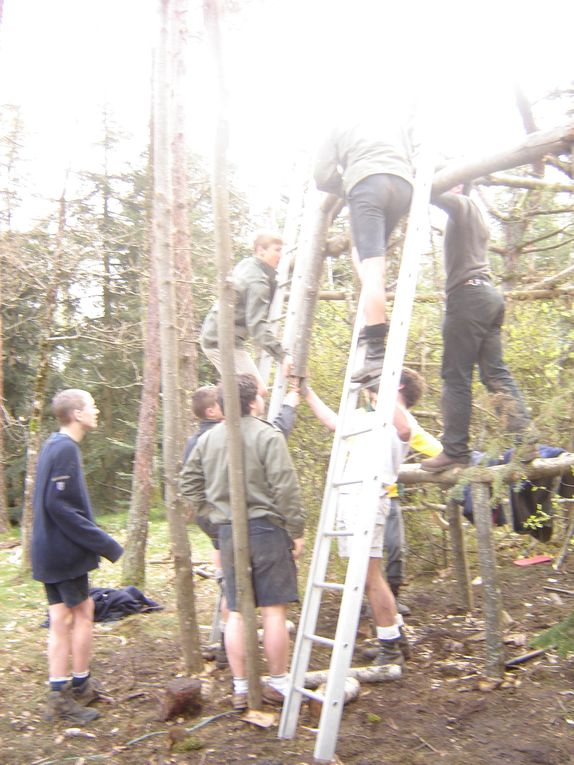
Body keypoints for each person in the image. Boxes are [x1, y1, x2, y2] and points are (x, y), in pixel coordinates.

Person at [180, 374, 305, 710]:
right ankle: (277, 683)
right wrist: (296, 530)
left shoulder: (209, 439)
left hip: (229, 533)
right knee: (274, 611)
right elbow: (286, 487)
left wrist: (213, 514)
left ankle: (239, 687)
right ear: (253, 402)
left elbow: (188, 485)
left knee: (235, 611)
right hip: (266, 530)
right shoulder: (267, 434)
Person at [304, 369, 428, 674]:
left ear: (396, 386)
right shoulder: (369, 416)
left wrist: (381, 389)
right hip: (350, 498)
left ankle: (390, 649)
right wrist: (306, 390)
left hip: (368, 497)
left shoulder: (402, 418)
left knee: (369, 577)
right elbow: (334, 423)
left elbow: (402, 430)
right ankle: (395, 638)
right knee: (367, 576)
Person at [421, 187, 534, 473]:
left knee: (455, 376)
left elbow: (433, 193)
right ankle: (525, 439)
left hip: (468, 298)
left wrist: (420, 180)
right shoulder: (468, 216)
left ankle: (456, 451)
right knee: (494, 372)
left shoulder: (463, 205)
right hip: (486, 296)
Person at [31, 389, 124, 723]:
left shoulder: (55, 444)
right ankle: (76, 688)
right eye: (92, 407)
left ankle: (63, 691)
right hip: (62, 552)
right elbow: (61, 508)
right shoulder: (65, 448)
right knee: (82, 612)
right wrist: (106, 544)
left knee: (62, 618)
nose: (97, 411)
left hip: (48, 550)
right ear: (77, 414)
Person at [314, 114, 414, 384]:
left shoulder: (338, 121)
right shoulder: (392, 120)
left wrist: (347, 186)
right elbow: (409, 152)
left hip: (368, 184)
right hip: (403, 185)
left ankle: (376, 351)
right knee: (364, 254)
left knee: (372, 268)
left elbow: (322, 175)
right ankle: (376, 322)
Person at [199, 232, 293, 395]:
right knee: (255, 392)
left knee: (247, 394)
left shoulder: (247, 264)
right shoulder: (258, 282)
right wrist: (282, 355)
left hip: (217, 335)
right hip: (221, 342)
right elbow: (257, 326)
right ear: (260, 250)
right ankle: (214, 412)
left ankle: (217, 409)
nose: (280, 255)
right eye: (276, 250)